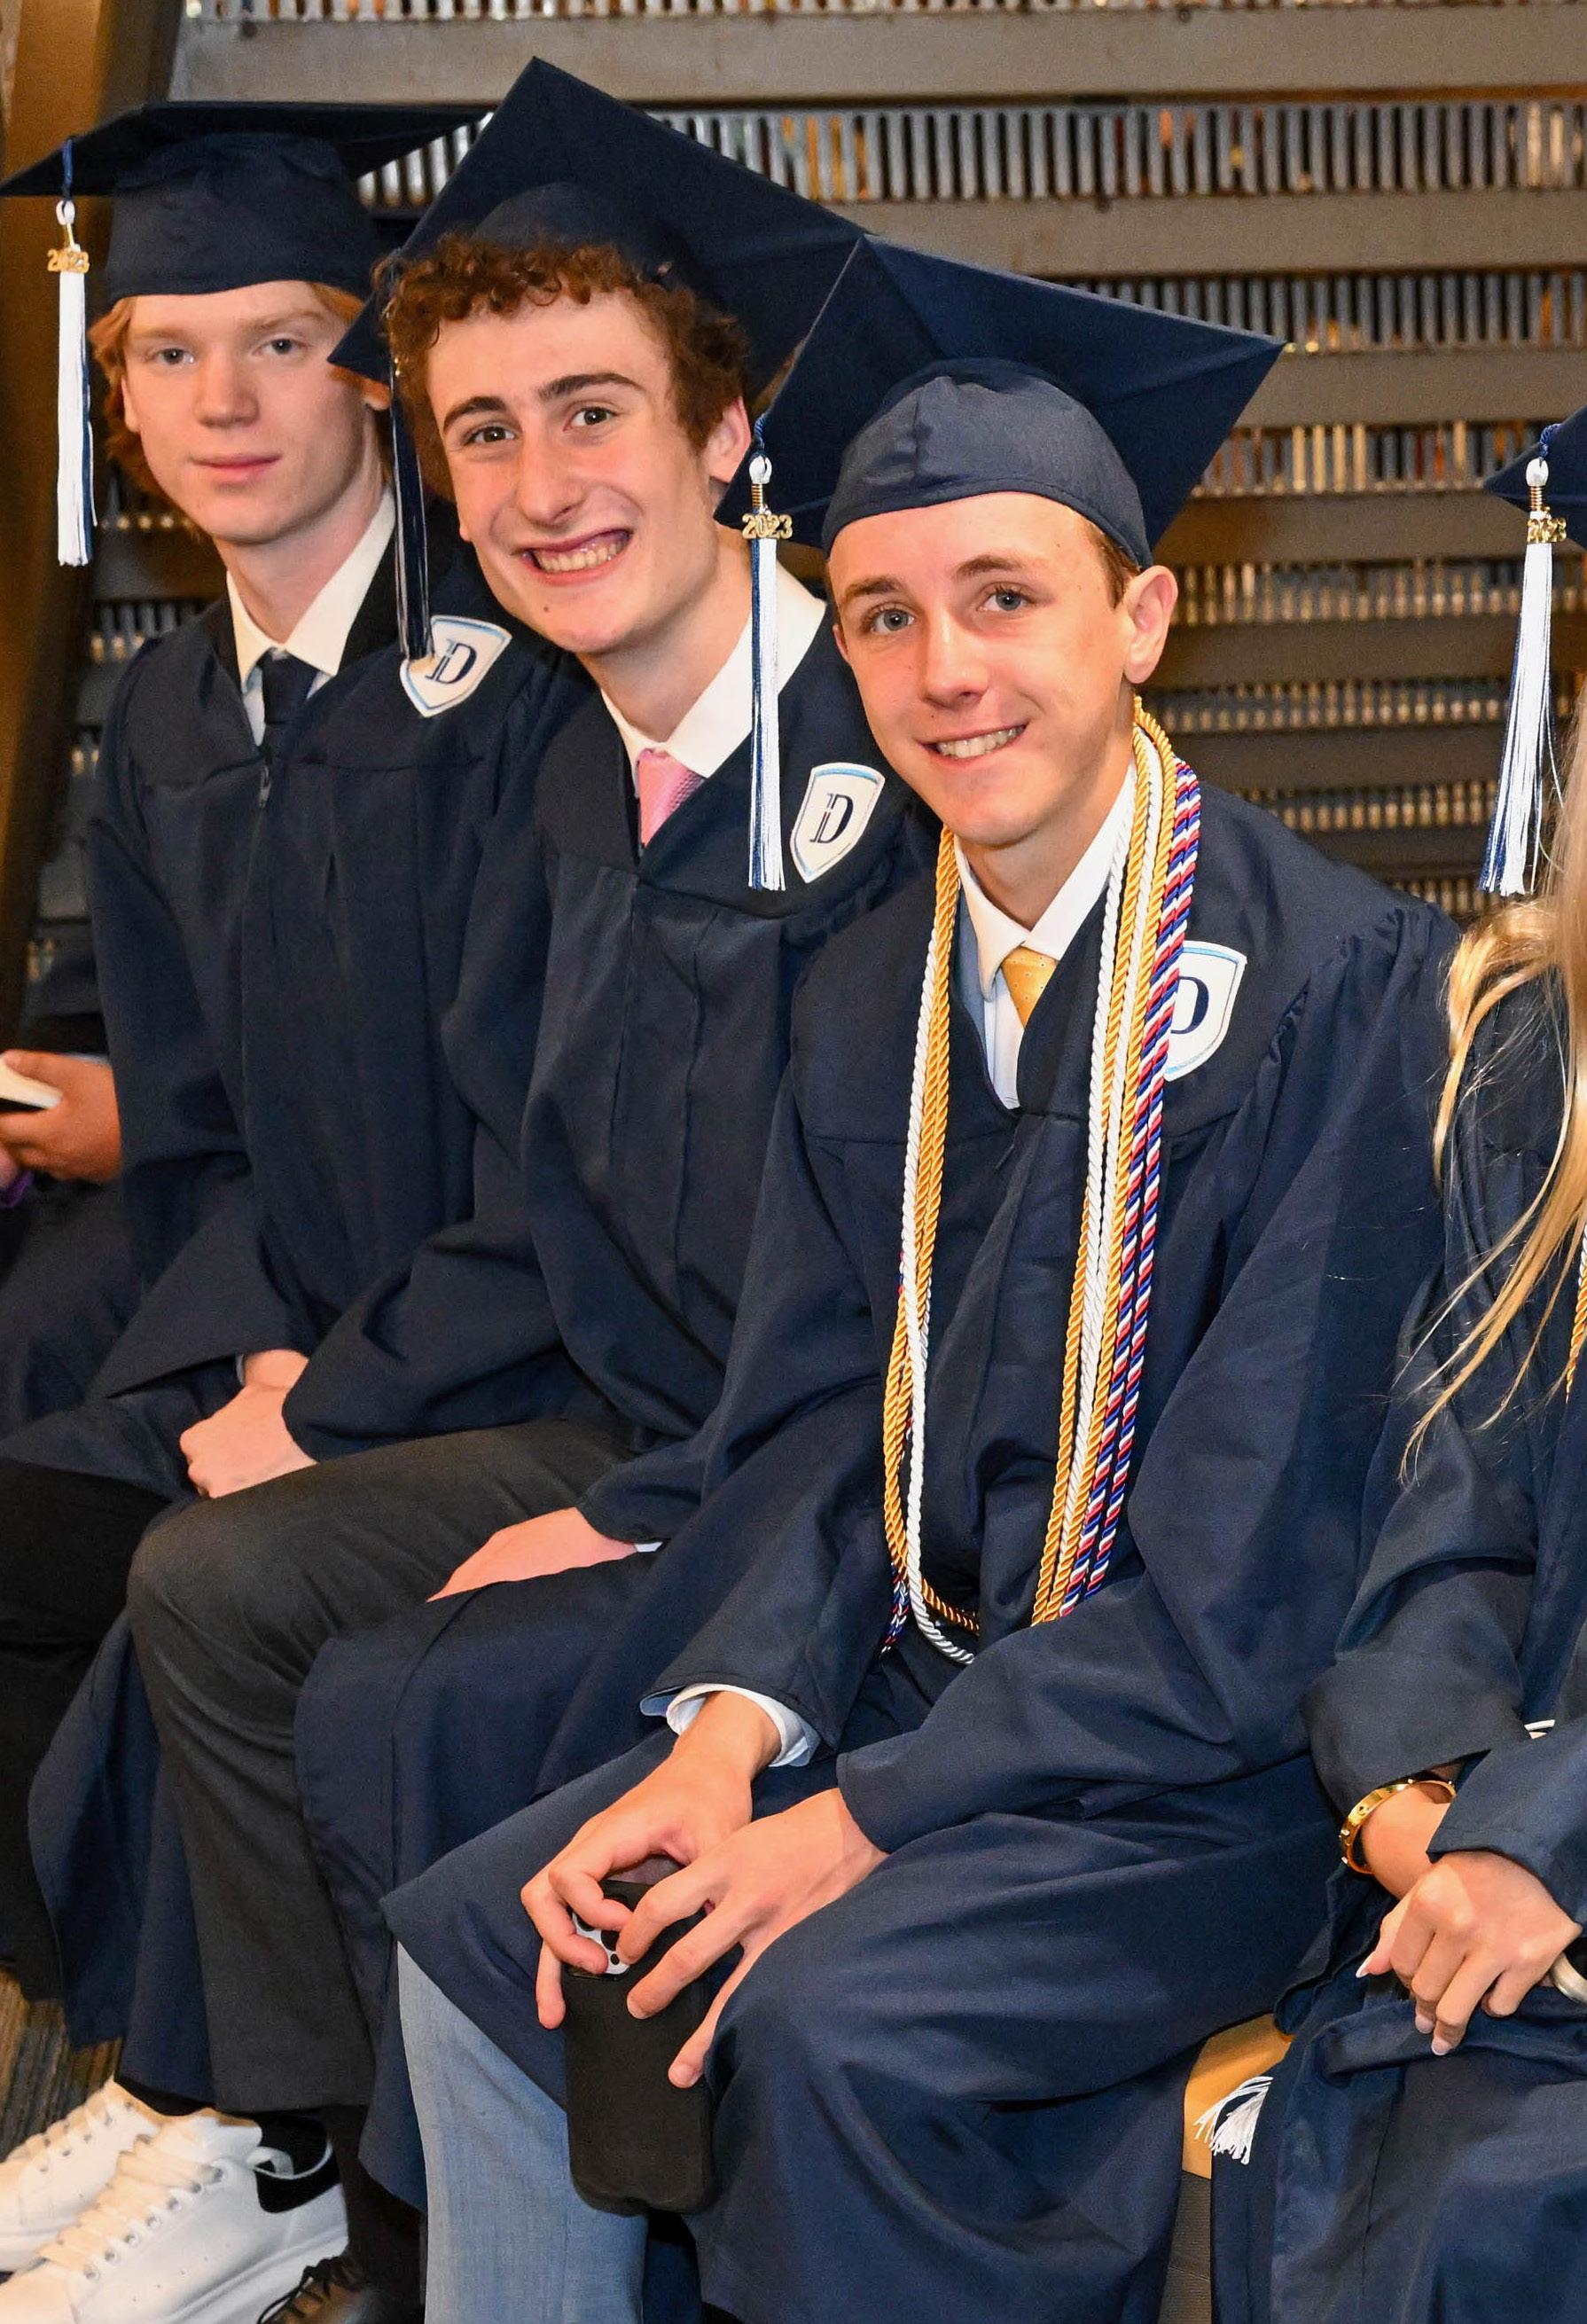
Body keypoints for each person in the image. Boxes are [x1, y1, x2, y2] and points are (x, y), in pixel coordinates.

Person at [382, 233, 1456, 2324]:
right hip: (913, 1687)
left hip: (1202, 1780)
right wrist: (723, 1741)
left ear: (1140, 618)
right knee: (502, 1930)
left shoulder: (1345, 994)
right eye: (882, 613)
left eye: (1003, 597)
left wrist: (850, 1823)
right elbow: (809, 1425)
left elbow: (1248, 1590)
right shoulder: (877, 985)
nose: (945, 666)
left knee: (817, 2019)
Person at [20, 62, 908, 2324]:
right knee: (207, 1574)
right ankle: (247, 2111)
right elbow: (485, 1162)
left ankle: (284, 2142)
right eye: (484, 433)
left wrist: (609, 1495)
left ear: (724, 437)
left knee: (331, 1647)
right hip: (619, 1404)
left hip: (808, 1471)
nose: (535, 483)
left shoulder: (872, 767)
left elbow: (885, 1283)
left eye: (591, 415)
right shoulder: (592, 769)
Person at [0, 92, 606, 2324]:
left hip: (516, 1346)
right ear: (116, 398)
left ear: (372, 373)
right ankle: (171, 2063)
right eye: (166, 354)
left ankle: (253, 2119)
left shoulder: (513, 676)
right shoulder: (175, 712)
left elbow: (553, 1140)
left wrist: (332, 1396)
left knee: (199, 1566)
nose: (224, 400)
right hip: (307, 1323)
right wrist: (250, 1352)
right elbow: (199, 1132)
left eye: (280, 341)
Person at [1210, 405, 1587, 2324]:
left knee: (1498, 2203)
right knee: (1401, 2157)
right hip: (1521, 1855)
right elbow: (1458, 1507)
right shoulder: (1539, 1055)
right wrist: (1413, 1795)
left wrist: (1540, 1834)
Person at [0, 935, 140, 1436]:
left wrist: (147, 1126)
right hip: (78, 1107)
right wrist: (21, 1108)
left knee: (33, 1343)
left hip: (234, 1169)